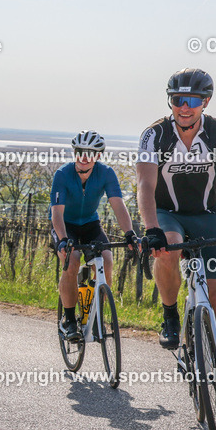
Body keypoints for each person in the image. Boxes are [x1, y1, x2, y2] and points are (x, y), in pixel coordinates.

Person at [136, 68, 216, 413]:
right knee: (167, 245)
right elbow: (145, 186)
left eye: (192, 101)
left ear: (205, 101)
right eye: (177, 101)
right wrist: (150, 226)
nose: (184, 108)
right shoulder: (154, 135)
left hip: (207, 217)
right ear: (170, 102)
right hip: (168, 215)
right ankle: (170, 313)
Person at [51, 131, 137, 341]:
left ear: (98, 156)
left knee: (107, 260)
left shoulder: (106, 173)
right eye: (80, 152)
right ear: (75, 152)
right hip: (65, 226)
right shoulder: (62, 174)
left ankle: (98, 315)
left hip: (90, 224)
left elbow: (118, 204)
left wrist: (129, 233)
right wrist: (63, 239)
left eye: (90, 153)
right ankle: (70, 320)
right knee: (72, 261)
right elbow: (57, 213)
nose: (84, 157)